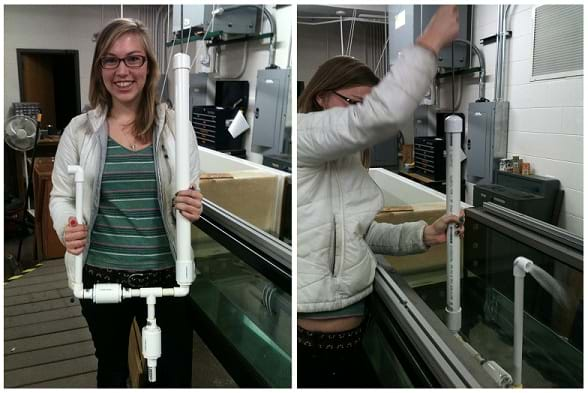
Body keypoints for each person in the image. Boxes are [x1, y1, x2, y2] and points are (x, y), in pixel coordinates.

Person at [297, 5, 462, 388]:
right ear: (321, 98)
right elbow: (378, 119)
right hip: (312, 346)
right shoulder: (305, 133)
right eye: (354, 103)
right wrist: (428, 43)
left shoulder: (350, 161)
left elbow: (363, 234)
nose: (358, 119)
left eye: (363, 106)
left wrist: (422, 234)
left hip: (353, 333)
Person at [49, 18, 202, 388]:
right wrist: (67, 225)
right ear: (99, 68)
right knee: (113, 368)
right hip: (101, 275)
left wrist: (194, 206)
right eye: (111, 60)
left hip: (169, 276)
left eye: (134, 59)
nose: (122, 71)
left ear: (149, 66)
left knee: (174, 374)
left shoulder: (175, 128)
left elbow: (191, 193)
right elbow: (61, 196)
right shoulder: (79, 130)